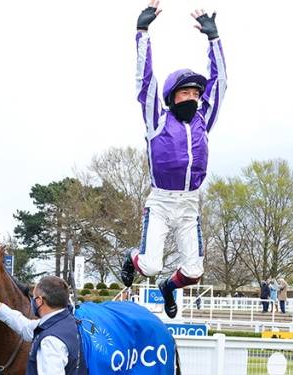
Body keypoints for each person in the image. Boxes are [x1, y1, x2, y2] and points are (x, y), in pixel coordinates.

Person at [118, 1, 227, 319]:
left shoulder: (203, 120)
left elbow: (221, 83)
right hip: (162, 203)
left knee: (193, 271)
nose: (193, 98)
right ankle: (131, 255)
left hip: (190, 203)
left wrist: (214, 39)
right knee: (150, 265)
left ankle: (169, 287)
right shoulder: (157, 118)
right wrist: (142, 32)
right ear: (172, 97)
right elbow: (145, 82)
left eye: (196, 94)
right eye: (185, 94)